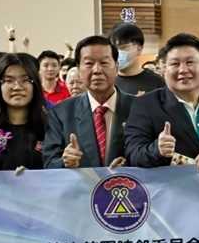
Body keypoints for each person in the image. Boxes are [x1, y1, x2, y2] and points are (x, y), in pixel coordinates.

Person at [126, 33, 199, 170]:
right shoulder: (145, 105)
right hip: (171, 189)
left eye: (190, 62)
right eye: (175, 64)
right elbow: (133, 154)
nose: (183, 70)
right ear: (163, 70)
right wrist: (157, 150)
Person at [43, 36, 136, 169]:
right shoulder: (61, 113)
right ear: (79, 69)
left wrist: (130, 163)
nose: (97, 70)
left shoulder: (139, 107)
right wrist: (65, 162)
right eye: (89, 63)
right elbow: (48, 164)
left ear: (116, 68)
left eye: (104, 63)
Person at [0, 54, 48, 171]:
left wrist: (34, 178)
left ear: (35, 85)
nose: (17, 87)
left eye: (25, 80)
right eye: (9, 80)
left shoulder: (50, 129)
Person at [109, 22, 165, 95]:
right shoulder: (107, 81)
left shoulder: (156, 82)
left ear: (138, 49)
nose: (118, 52)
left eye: (123, 47)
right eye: (114, 48)